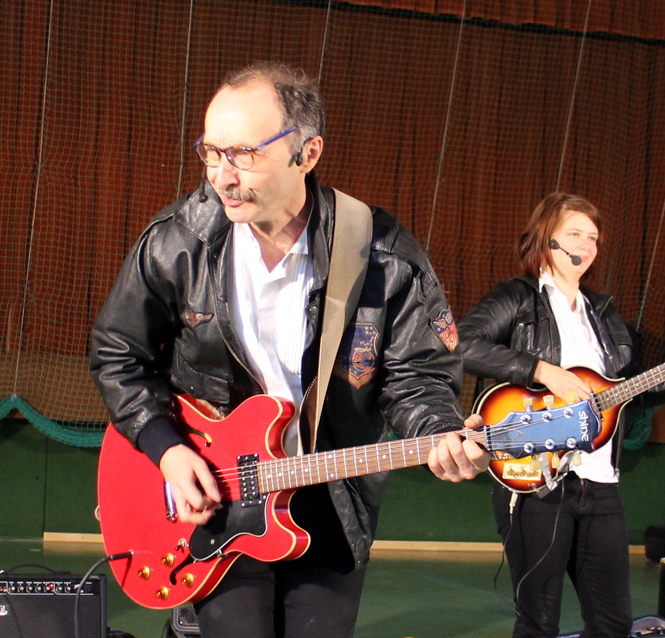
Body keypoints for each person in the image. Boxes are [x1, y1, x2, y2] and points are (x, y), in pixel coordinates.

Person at [90, 62, 488, 638]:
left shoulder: (381, 252)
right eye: (212, 152)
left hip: (331, 493)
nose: (222, 176)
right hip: (215, 488)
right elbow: (118, 354)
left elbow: (418, 374)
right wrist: (167, 450)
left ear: (308, 153)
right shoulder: (179, 242)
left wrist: (441, 431)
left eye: (244, 154)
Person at [457, 192, 665, 638]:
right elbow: (461, 344)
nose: (587, 244)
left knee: (612, 623)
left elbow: (633, 393)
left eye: (593, 237)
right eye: (575, 233)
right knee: (539, 621)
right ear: (547, 239)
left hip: (599, 485)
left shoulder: (604, 316)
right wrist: (541, 370)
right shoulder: (517, 297)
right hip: (536, 481)